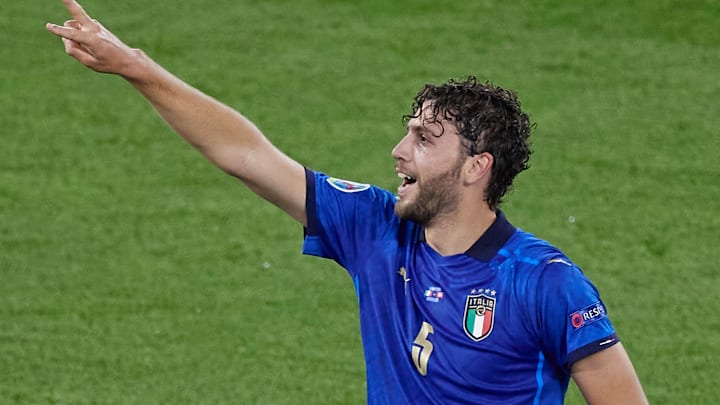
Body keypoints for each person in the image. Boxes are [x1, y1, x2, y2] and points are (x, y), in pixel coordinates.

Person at [46, 1, 649, 403]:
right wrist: (137, 68)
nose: (398, 151)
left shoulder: (544, 283)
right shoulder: (375, 230)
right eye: (407, 131)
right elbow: (247, 156)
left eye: (424, 140)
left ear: (476, 168)